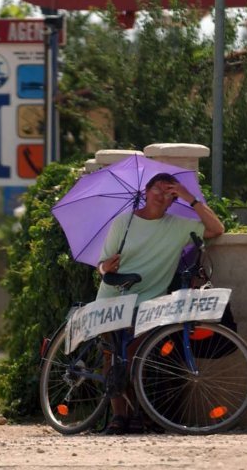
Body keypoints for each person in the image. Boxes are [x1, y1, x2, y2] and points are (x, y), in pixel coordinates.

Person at [96, 172, 225, 434]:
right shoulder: (124, 223)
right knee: (111, 356)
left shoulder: (177, 226)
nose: (162, 195)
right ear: (146, 191)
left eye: (170, 192)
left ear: (172, 199)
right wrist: (104, 266)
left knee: (133, 354)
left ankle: (137, 414)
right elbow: (102, 266)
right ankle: (118, 416)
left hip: (149, 302)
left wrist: (191, 199)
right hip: (115, 296)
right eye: (158, 188)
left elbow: (216, 229)